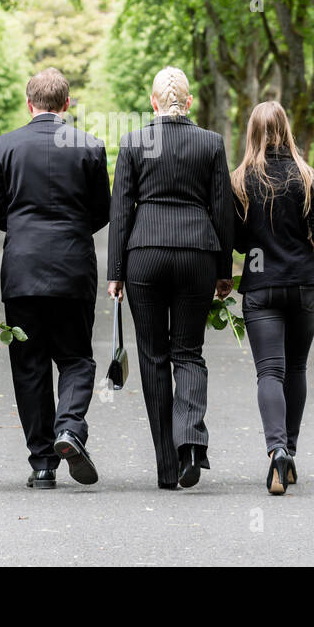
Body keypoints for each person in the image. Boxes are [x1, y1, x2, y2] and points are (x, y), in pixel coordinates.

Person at [107, 66, 234, 490]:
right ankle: (191, 443)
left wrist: (116, 274)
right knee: (189, 353)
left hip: (145, 253)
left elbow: (121, 210)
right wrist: (223, 271)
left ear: (154, 102)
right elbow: (222, 210)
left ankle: (166, 465)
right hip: (197, 253)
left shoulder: (133, 142)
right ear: (190, 102)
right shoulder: (211, 143)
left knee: (154, 357)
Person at [0, 68, 111, 490]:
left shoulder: (4, 147)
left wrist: (24, 230)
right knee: (76, 356)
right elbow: (102, 211)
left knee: (29, 366)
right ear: (67, 104)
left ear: (29, 104)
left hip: (22, 269)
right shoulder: (90, 147)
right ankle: (69, 427)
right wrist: (71, 230)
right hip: (74, 266)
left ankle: (42, 463)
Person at [231, 101, 314, 495]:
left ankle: (276, 451)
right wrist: (302, 239)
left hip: (260, 286)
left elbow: (236, 240)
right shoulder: (308, 177)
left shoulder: (240, 181)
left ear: (253, 132)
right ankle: (289, 449)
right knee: (297, 369)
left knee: (269, 372)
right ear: (287, 129)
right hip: (304, 283)